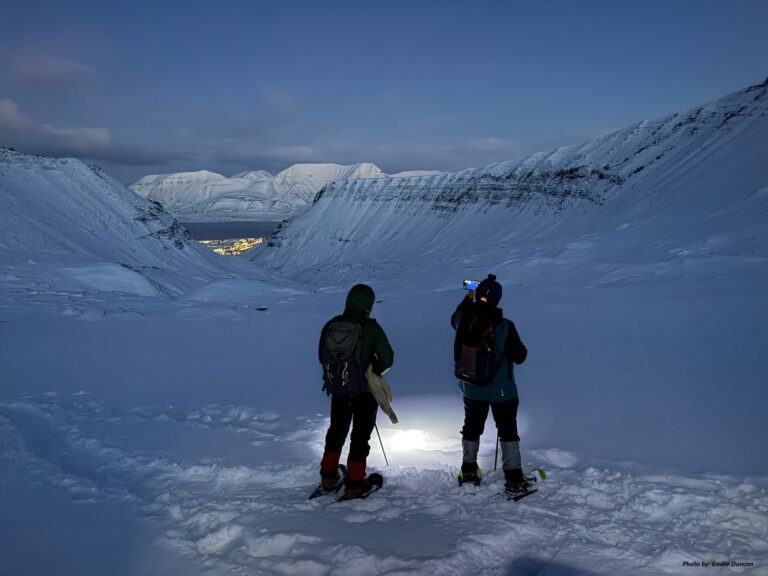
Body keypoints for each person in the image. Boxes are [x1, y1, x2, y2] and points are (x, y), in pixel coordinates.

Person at [451, 274, 530, 493]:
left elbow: (454, 317)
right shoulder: (504, 326)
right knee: (507, 430)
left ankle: (468, 470)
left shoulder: (463, 319)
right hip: (502, 392)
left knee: (472, 427)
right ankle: (514, 477)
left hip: (471, 388)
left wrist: (469, 297)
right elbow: (520, 356)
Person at [318, 284, 394, 499]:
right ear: (368, 305)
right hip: (364, 392)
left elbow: (322, 357)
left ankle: (329, 476)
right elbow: (387, 358)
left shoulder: (331, 325)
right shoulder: (370, 328)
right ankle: (355, 482)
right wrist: (374, 371)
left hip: (339, 390)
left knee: (336, 431)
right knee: (360, 437)